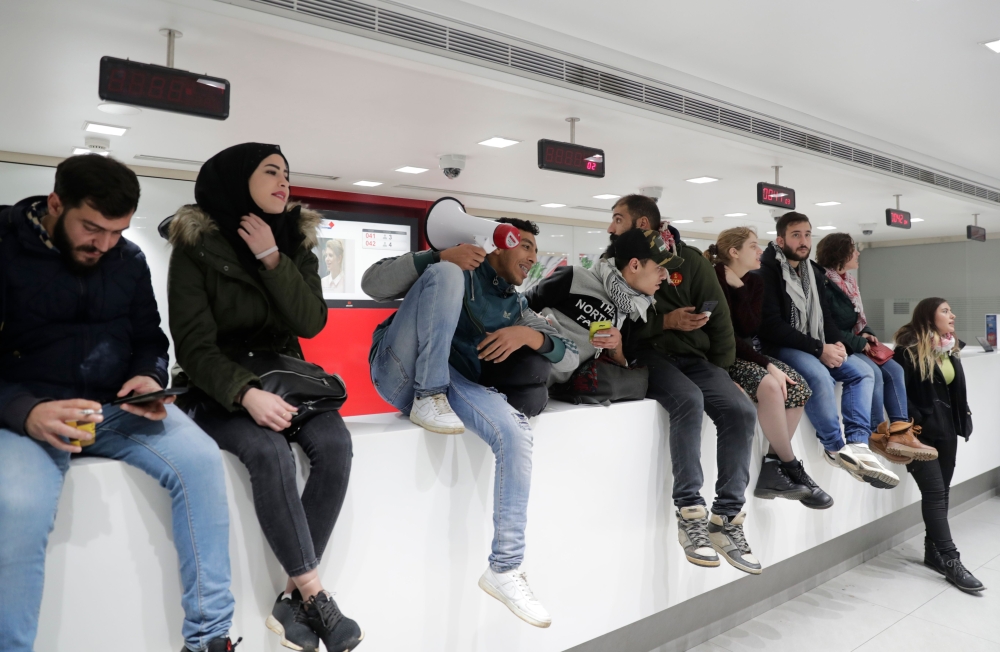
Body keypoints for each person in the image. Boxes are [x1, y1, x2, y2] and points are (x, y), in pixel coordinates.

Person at [0, 154, 239, 652]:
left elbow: (150, 340)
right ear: (55, 203)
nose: (104, 244)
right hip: (28, 416)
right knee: (18, 505)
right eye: (92, 228)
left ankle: (210, 639)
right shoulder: (4, 248)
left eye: (118, 231)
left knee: (201, 459)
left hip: (114, 411)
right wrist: (26, 411)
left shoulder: (127, 260)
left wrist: (146, 377)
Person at [165, 143, 362, 652]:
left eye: (287, 174)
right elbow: (192, 344)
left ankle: (291, 599)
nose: (284, 182)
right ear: (236, 180)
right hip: (219, 385)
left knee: (335, 446)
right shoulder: (196, 242)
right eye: (271, 171)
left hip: (286, 375)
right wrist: (244, 393)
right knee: (269, 451)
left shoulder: (293, 242)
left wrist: (273, 260)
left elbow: (311, 322)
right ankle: (315, 594)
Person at [361, 217, 579, 628]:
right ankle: (427, 397)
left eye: (535, 249)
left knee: (515, 434)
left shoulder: (517, 308)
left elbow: (568, 355)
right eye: (525, 245)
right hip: (399, 369)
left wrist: (529, 336)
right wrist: (437, 257)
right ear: (499, 244)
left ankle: (505, 568)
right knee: (445, 275)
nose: (532, 256)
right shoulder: (460, 265)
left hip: (450, 383)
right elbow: (371, 284)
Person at [609, 195, 762, 576]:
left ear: (642, 224)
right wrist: (665, 323)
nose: (611, 227)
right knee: (688, 400)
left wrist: (723, 372)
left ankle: (726, 519)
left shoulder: (690, 261)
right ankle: (690, 513)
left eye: (618, 219)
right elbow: (621, 325)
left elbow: (721, 322)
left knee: (741, 410)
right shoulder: (613, 265)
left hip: (696, 359)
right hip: (650, 356)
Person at [756, 212, 898, 489]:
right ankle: (835, 448)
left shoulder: (813, 273)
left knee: (862, 372)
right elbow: (771, 326)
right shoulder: (766, 273)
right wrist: (820, 349)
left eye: (807, 234)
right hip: (781, 347)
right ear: (780, 239)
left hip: (814, 343)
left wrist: (836, 345)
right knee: (819, 376)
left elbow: (827, 319)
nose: (803, 241)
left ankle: (857, 444)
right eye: (796, 235)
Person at [706, 228, 832, 510]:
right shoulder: (712, 277)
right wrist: (766, 367)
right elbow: (725, 336)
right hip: (724, 355)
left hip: (750, 352)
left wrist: (739, 289)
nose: (760, 252)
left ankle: (773, 467)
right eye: (753, 246)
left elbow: (750, 327)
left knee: (798, 386)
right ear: (734, 252)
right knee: (771, 386)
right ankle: (791, 467)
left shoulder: (753, 281)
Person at [816, 233, 936, 463]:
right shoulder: (823, 283)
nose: (858, 253)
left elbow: (856, 318)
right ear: (841, 253)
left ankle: (901, 432)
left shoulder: (848, 281)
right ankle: (876, 432)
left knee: (895, 370)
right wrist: (860, 341)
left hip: (855, 342)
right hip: (839, 345)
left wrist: (867, 331)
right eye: (854, 249)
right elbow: (826, 326)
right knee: (873, 374)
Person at [893, 299, 983, 593]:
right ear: (928, 317)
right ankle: (951, 560)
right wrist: (912, 427)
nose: (952, 315)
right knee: (933, 493)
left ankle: (932, 551)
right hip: (920, 435)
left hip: (947, 431)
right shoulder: (906, 351)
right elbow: (898, 395)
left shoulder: (949, 348)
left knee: (942, 492)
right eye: (945, 311)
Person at [524, 228, 672, 401]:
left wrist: (616, 346)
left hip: (545, 386)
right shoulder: (574, 277)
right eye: (660, 267)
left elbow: (620, 367)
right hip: (526, 359)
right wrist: (538, 321)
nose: (665, 276)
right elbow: (520, 306)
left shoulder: (632, 313)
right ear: (634, 265)